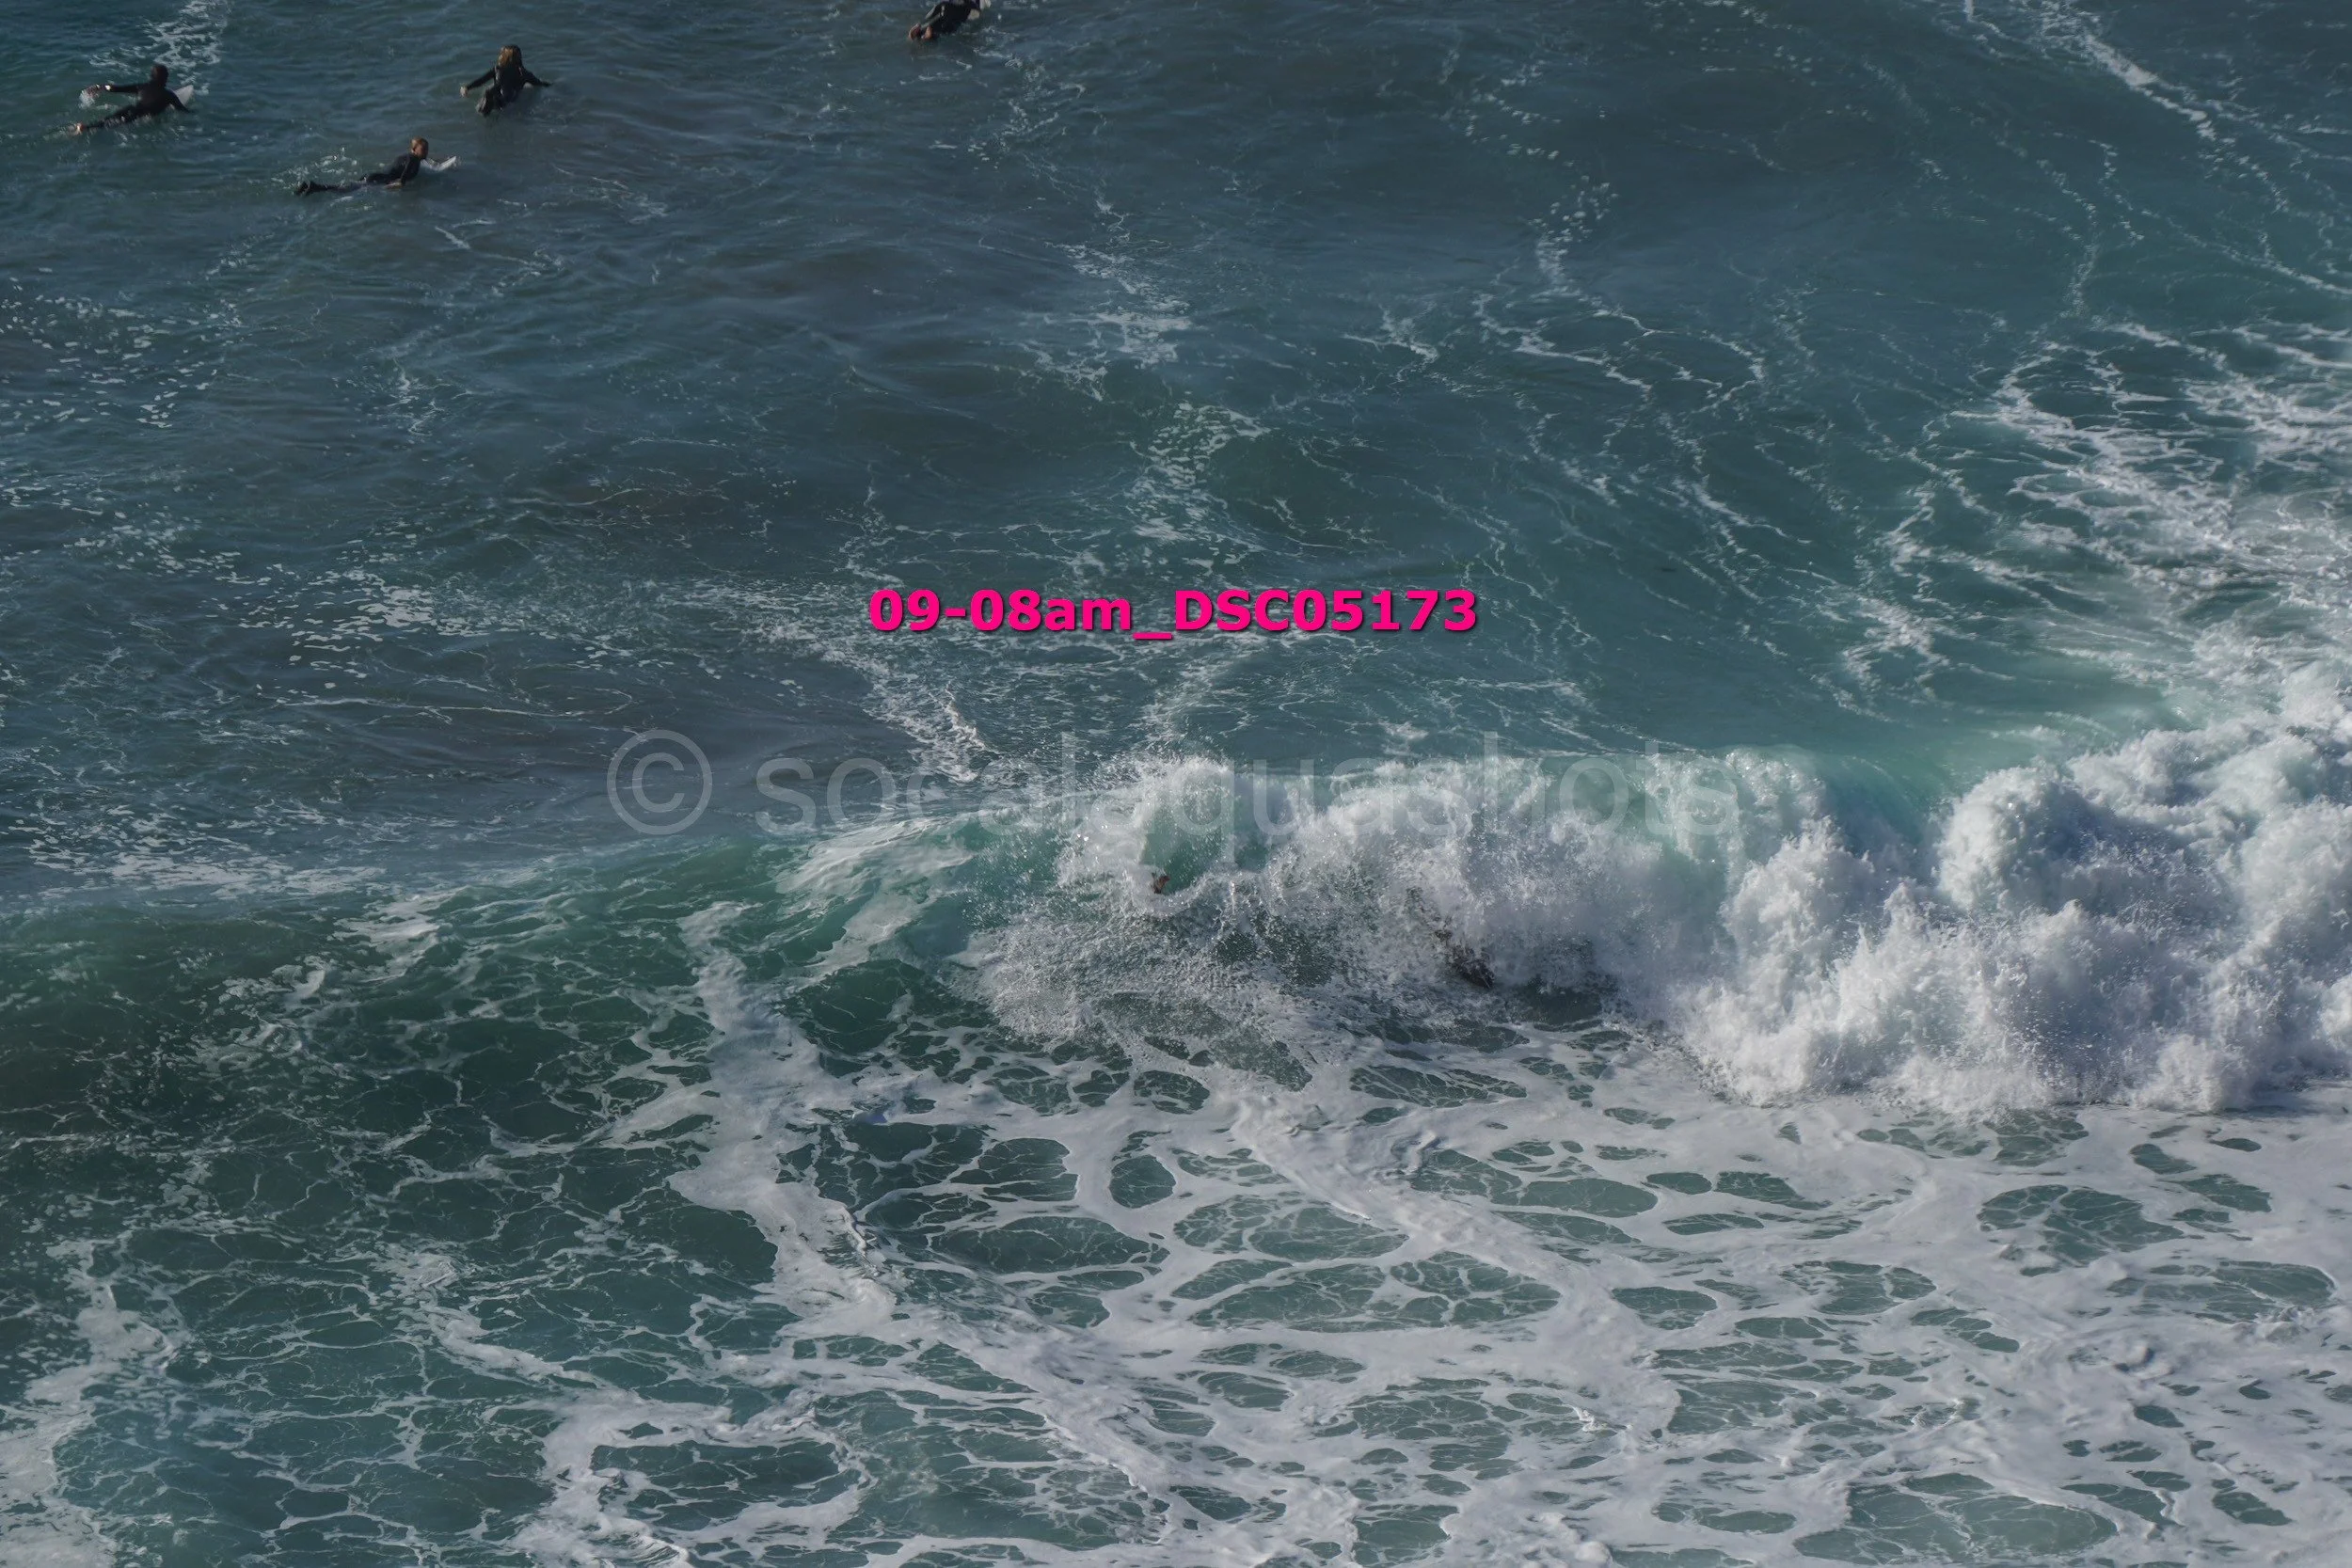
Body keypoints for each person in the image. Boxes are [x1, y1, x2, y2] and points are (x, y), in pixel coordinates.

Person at [296, 137, 451, 195]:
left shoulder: (412, 156)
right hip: (378, 180)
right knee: (343, 190)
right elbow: (405, 175)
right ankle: (315, 187)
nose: (426, 152)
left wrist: (442, 162)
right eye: (423, 150)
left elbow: (426, 161)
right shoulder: (413, 159)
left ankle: (314, 188)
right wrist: (400, 183)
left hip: (376, 176)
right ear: (414, 150)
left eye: (427, 149)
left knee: (346, 188)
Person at [74, 64, 190, 134]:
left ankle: (85, 127)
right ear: (165, 79)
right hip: (140, 115)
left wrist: (100, 87)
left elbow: (118, 89)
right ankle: (86, 128)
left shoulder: (142, 87)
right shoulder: (169, 95)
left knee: (107, 120)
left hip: (131, 108)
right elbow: (182, 109)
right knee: (114, 124)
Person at [463, 46, 547, 116]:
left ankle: (488, 101)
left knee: (490, 97)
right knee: (505, 100)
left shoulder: (497, 69)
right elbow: (539, 83)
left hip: (496, 92)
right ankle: (492, 100)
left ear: (504, 57)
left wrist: (467, 87)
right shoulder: (524, 74)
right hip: (508, 100)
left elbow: (482, 80)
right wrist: (549, 84)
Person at [908, 0, 985, 42]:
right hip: (960, 11)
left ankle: (921, 29)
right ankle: (928, 35)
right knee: (949, 25)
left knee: (940, 18)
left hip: (947, 7)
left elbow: (938, 7)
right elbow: (977, 11)